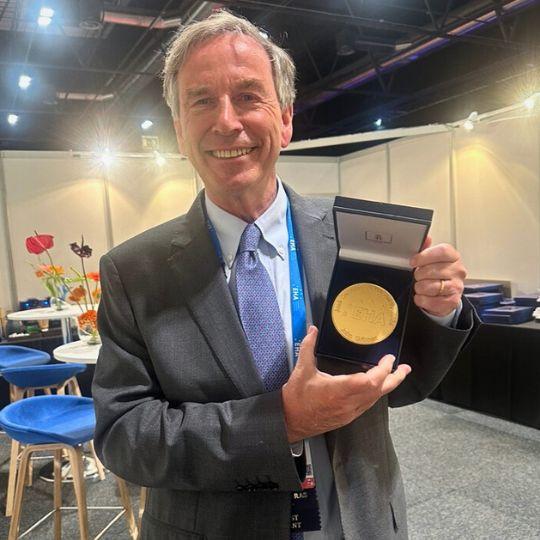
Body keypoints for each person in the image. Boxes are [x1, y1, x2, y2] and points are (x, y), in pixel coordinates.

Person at [92, 10, 476, 540]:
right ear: (179, 129)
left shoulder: (358, 234)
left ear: (287, 118)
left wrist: (438, 309)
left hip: (358, 521)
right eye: (202, 100)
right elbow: (123, 435)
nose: (228, 121)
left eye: (249, 96)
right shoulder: (133, 272)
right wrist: (282, 421)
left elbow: (397, 381)